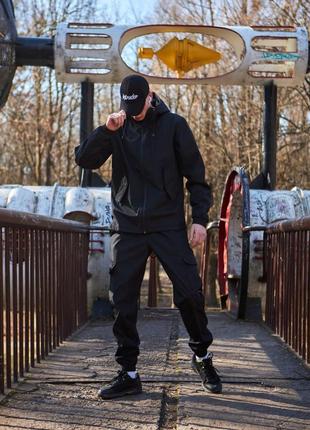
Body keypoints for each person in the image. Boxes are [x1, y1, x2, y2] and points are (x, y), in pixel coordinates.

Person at [75, 74, 222, 399]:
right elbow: (85, 159)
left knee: (189, 294)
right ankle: (128, 373)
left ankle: (202, 357)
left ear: (150, 97)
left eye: (138, 107)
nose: (133, 113)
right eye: (127, 107)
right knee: (122, 299)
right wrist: (105, 131)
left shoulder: (174, 126)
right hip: (127, 226)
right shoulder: (118, 126)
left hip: (167, 224)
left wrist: (199, 219)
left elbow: (196, 176)